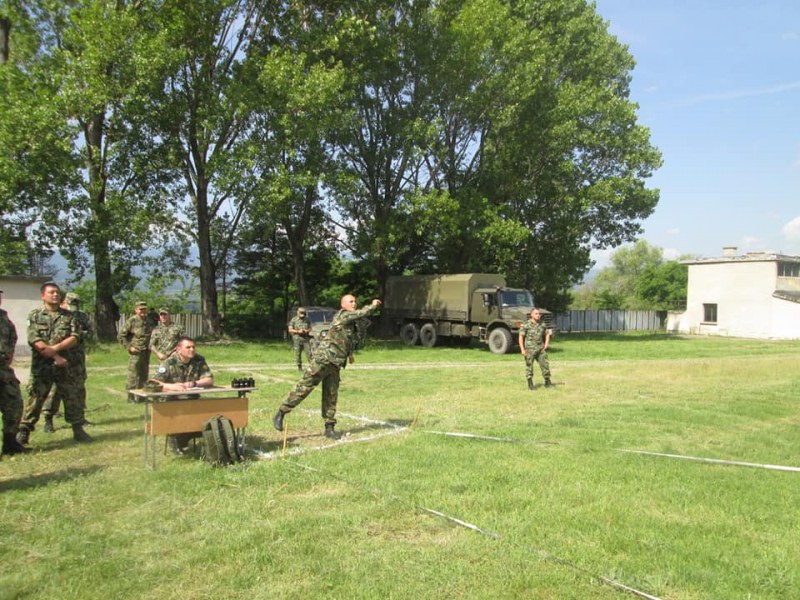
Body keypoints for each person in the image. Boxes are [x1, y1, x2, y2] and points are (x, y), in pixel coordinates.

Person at [273, 295, 381, 439]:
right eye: (351, 301)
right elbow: (362, 313)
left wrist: (350, 354)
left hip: (336, 363)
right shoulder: (343, 315)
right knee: (304, 387)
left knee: (331, 395)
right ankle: (281, 412)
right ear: (343, 305)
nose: (354, 303)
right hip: (323, 359)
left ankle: (329, 427)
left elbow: (346, 339)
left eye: (355, 301)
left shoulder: (351, 323)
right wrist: (373, 305)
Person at [17, 282, 92, 446]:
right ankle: (24, 431)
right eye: (51, 292)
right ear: (43, 296)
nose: (55, 295)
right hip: (42, 366)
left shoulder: (69, 316)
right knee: (36, 398)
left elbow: (75, 337)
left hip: (67, 365)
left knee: (73, 396)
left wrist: (55, 349)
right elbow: (34, 339)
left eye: (57, 292)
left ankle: (78, 429)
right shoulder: (35, 315)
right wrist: (55, 356)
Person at [151, 336, 214, 455]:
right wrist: (172, 387)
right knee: (182, 414)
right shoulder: (169, 362)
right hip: (172, 402)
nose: (192, 350)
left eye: (193, 347)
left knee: (209, 415)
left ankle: (185, 438)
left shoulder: (199, 360)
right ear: (178, 349)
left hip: (192, 400)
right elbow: (153, 383)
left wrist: (193, 383)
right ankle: (176, 438)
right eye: (188, 347)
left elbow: (209, 380)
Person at [42, 292, 92, 432]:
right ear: (64, 302)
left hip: (77, 359)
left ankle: (79, 418)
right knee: (55, 390)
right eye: (70, 305)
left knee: (78, 389)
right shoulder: (57, 316)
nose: (72, 309)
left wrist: (80, 334)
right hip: (59, 357)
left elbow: (91, 332)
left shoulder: (82, 316)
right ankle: (48, 419)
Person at [0, 289, 30, 455]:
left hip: (4, 371)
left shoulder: (4, 319)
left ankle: (10, 443)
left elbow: (12, 338)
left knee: (14, 405)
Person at [118, 300, 153, 400]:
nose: (143, 311)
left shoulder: (149, 321)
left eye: (145, 309)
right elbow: (121, 336)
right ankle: (131, 397)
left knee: (144, 374)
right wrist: (129, 347)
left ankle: (142, 397)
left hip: (146, 352)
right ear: (136, 310)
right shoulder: (132, 321)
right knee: (133, 375)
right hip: (136, 352)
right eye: (141, 309)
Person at [518, 308, 553, 390]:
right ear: (532, 315)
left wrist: (546, 344)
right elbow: (521, 337)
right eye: (536, 314)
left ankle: (547, 382)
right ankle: (530, 384)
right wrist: (522, 349)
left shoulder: (542, 324)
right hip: (529, 350)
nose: (538, 315)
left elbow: (547, 333)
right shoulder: (526, 325)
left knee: (545, 365)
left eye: (539, 314)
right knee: (529, 366)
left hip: (540, 349)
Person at [287, 307, 312, 371]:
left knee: (309, 353)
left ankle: (312, 367)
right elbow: (290, 330)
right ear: (297, 313)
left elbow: (310, 328)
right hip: (297, 339)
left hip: (305, 339)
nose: (302, 316)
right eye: (301, 314)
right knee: (298, 354)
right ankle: (299, 367)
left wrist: (306, 331)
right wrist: (298, 331)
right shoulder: (294, 320)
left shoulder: (307, 320)